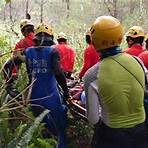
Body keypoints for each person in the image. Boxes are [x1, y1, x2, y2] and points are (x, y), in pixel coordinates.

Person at [84, 16, 148, 148]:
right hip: (142, 132)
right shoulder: (138, 62)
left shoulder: (92, 75)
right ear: (120, 37)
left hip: (112, 137)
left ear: (94, 41)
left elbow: (93, 118)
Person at [3, 23, 69, 148]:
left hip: (33, 98)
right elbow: (59, 74)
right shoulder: (53, 51)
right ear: (51, 38)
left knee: (39, 131)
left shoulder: (28, 52)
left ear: (36, 39)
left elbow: (7, 66)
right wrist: (66, 92)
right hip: (52, 98)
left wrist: (9, 87)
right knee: (59, 130)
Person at [3, 19, 35, 97]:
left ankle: (12, 92)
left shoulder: (21, 43)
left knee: (5, 67)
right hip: (48, 74)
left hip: (32, 74)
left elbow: (14, 61)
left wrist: (14, 73)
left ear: (23, 31)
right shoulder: (41, 40)